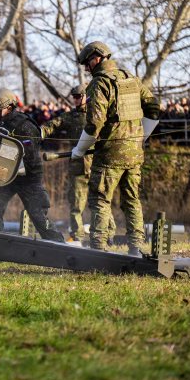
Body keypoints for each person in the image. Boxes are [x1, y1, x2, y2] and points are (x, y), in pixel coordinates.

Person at [70, 41, 160, 255]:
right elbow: (153, 106)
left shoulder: (99, 83)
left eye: (87, 63)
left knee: (100, 199)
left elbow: (94, 125)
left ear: (97, 58)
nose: (86, 68)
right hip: (135, 153)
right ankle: (136, 248)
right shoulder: (131, 78)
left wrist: (79, 151)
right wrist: (141, 138)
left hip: (109, 156)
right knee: (132, 200)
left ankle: (98, 249)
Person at [0, 88, 65, 242]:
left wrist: (7, 148)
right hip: (3, 172)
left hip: (27, 176)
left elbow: (31, 155)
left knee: (38, 215)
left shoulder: (25, 125)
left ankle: (59, 245)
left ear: (9, 107)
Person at [40, 84, 114, 242]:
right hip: (77, 167)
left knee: (102, 202)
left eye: (78, 97)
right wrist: (38, 132)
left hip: (97, 166)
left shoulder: (99, 114)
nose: (75, 100)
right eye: (73, 97)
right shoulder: (71, 116)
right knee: (76, 206)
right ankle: (77, 236)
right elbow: (53, 124)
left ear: (86, 96)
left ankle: (108, 235)